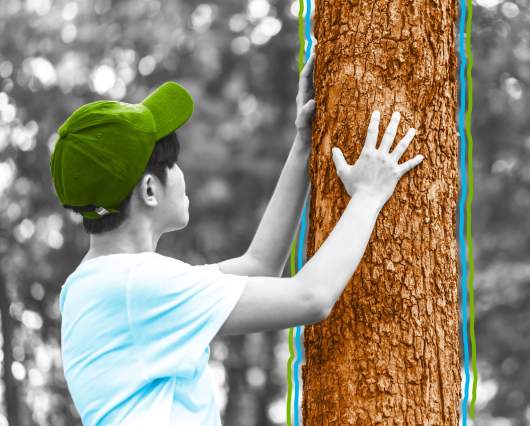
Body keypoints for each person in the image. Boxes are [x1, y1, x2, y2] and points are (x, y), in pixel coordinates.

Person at [49, 57, 424, 426]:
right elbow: (311, 297)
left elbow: (259, 266)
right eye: (172, 165)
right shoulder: (137, 286)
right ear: (150, 189)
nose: (181, 174)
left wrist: (304, 145)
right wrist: (369, 195)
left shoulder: (97, 286)